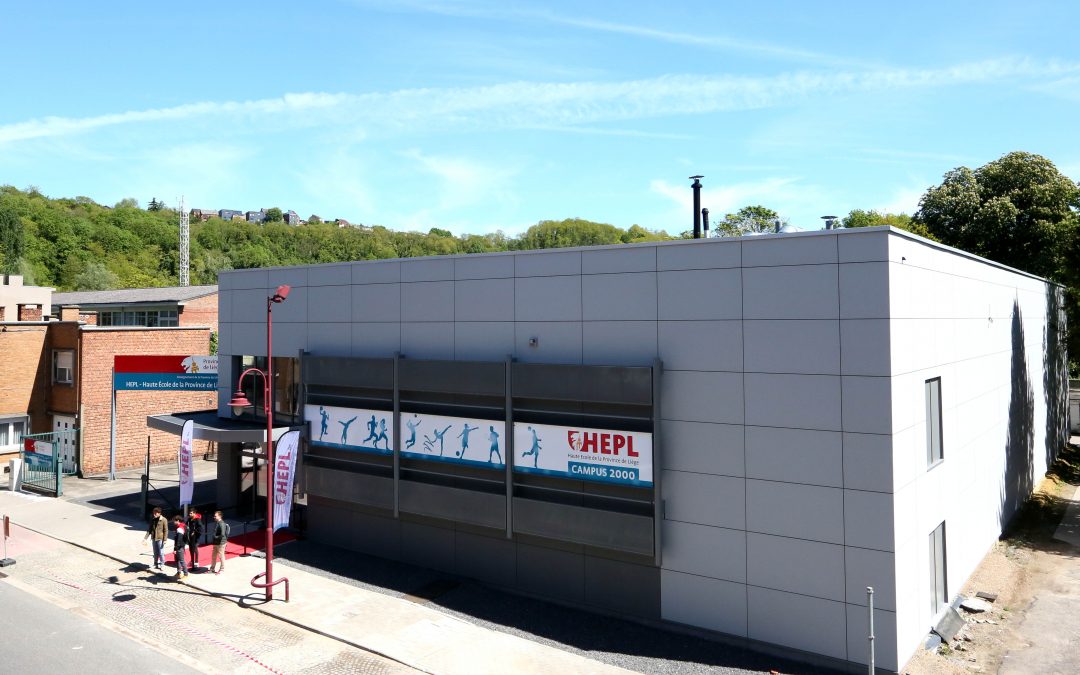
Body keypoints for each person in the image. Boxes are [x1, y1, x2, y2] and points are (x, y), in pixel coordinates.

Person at [209, 510, 230, 575]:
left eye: (215, 516)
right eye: (214, 516)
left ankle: (222, 569)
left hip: (221, 543)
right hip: (216, 543)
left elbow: (222, 534)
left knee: (221, 556)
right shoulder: (217, 523)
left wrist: (215, 537)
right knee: (214, 556)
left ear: (220, 516)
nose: (214, 517)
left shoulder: (222, 524)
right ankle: (212, 569)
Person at [171, 515, 189, 581]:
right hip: (180, 546)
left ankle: (186, 574)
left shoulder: (180, 528)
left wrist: (175, 549)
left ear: (178, 521)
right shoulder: (182, 526)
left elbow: (179, 540)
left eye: (174, 521)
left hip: (179, 547)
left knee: (181, 560)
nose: (173, 522)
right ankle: (179, 573)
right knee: (178, 560)